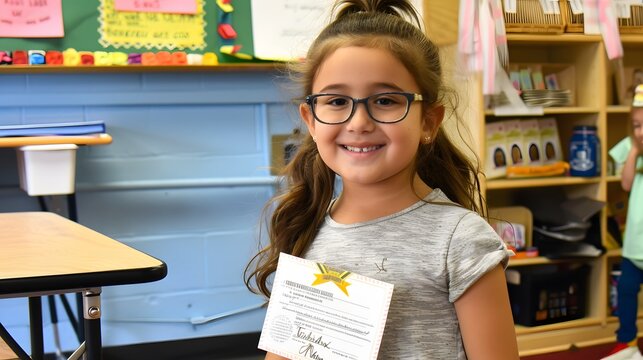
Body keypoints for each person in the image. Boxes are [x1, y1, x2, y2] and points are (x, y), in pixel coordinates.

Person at [244, 0, 519, 358]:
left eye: (386, 100)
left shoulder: (460, 241)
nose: (358, 122)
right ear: (310, 121)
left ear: (428, 122)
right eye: (337, 101)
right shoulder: (307, 225)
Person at [603, 84, 643, 360]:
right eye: (636, 125)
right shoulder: (632, 147)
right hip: (634, 246)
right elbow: (626, 184)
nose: (640, 131)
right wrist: (634, 151)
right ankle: (626, 339)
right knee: (627, 290)